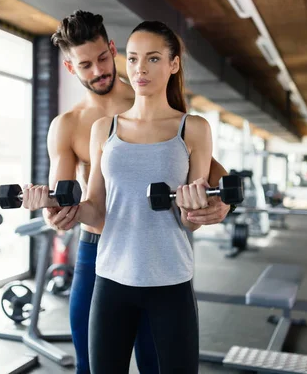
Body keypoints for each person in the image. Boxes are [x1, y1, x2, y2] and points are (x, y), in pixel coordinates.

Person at [21, 11, 230, 373]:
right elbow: (66, 199)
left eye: (104, 58)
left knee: (155, 361)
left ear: (112, 49)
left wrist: (220, 202)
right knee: (90, 362)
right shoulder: (70, 126)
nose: (99, 70)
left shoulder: (153, 99)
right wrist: (52, 210)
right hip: (98, 252)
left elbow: (209, 173)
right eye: (85, 65)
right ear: (72, 69)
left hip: (158, 256)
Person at [65, 19, 212, 373]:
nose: (140, 69)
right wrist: (67, 210)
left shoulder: (193, 128)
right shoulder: (104, 129)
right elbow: (96, 207)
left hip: (170, 280)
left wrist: (196, 211)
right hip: (110, 279)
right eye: (132, 59)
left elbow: (191, 220)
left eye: (153, 59)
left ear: (174, 64)